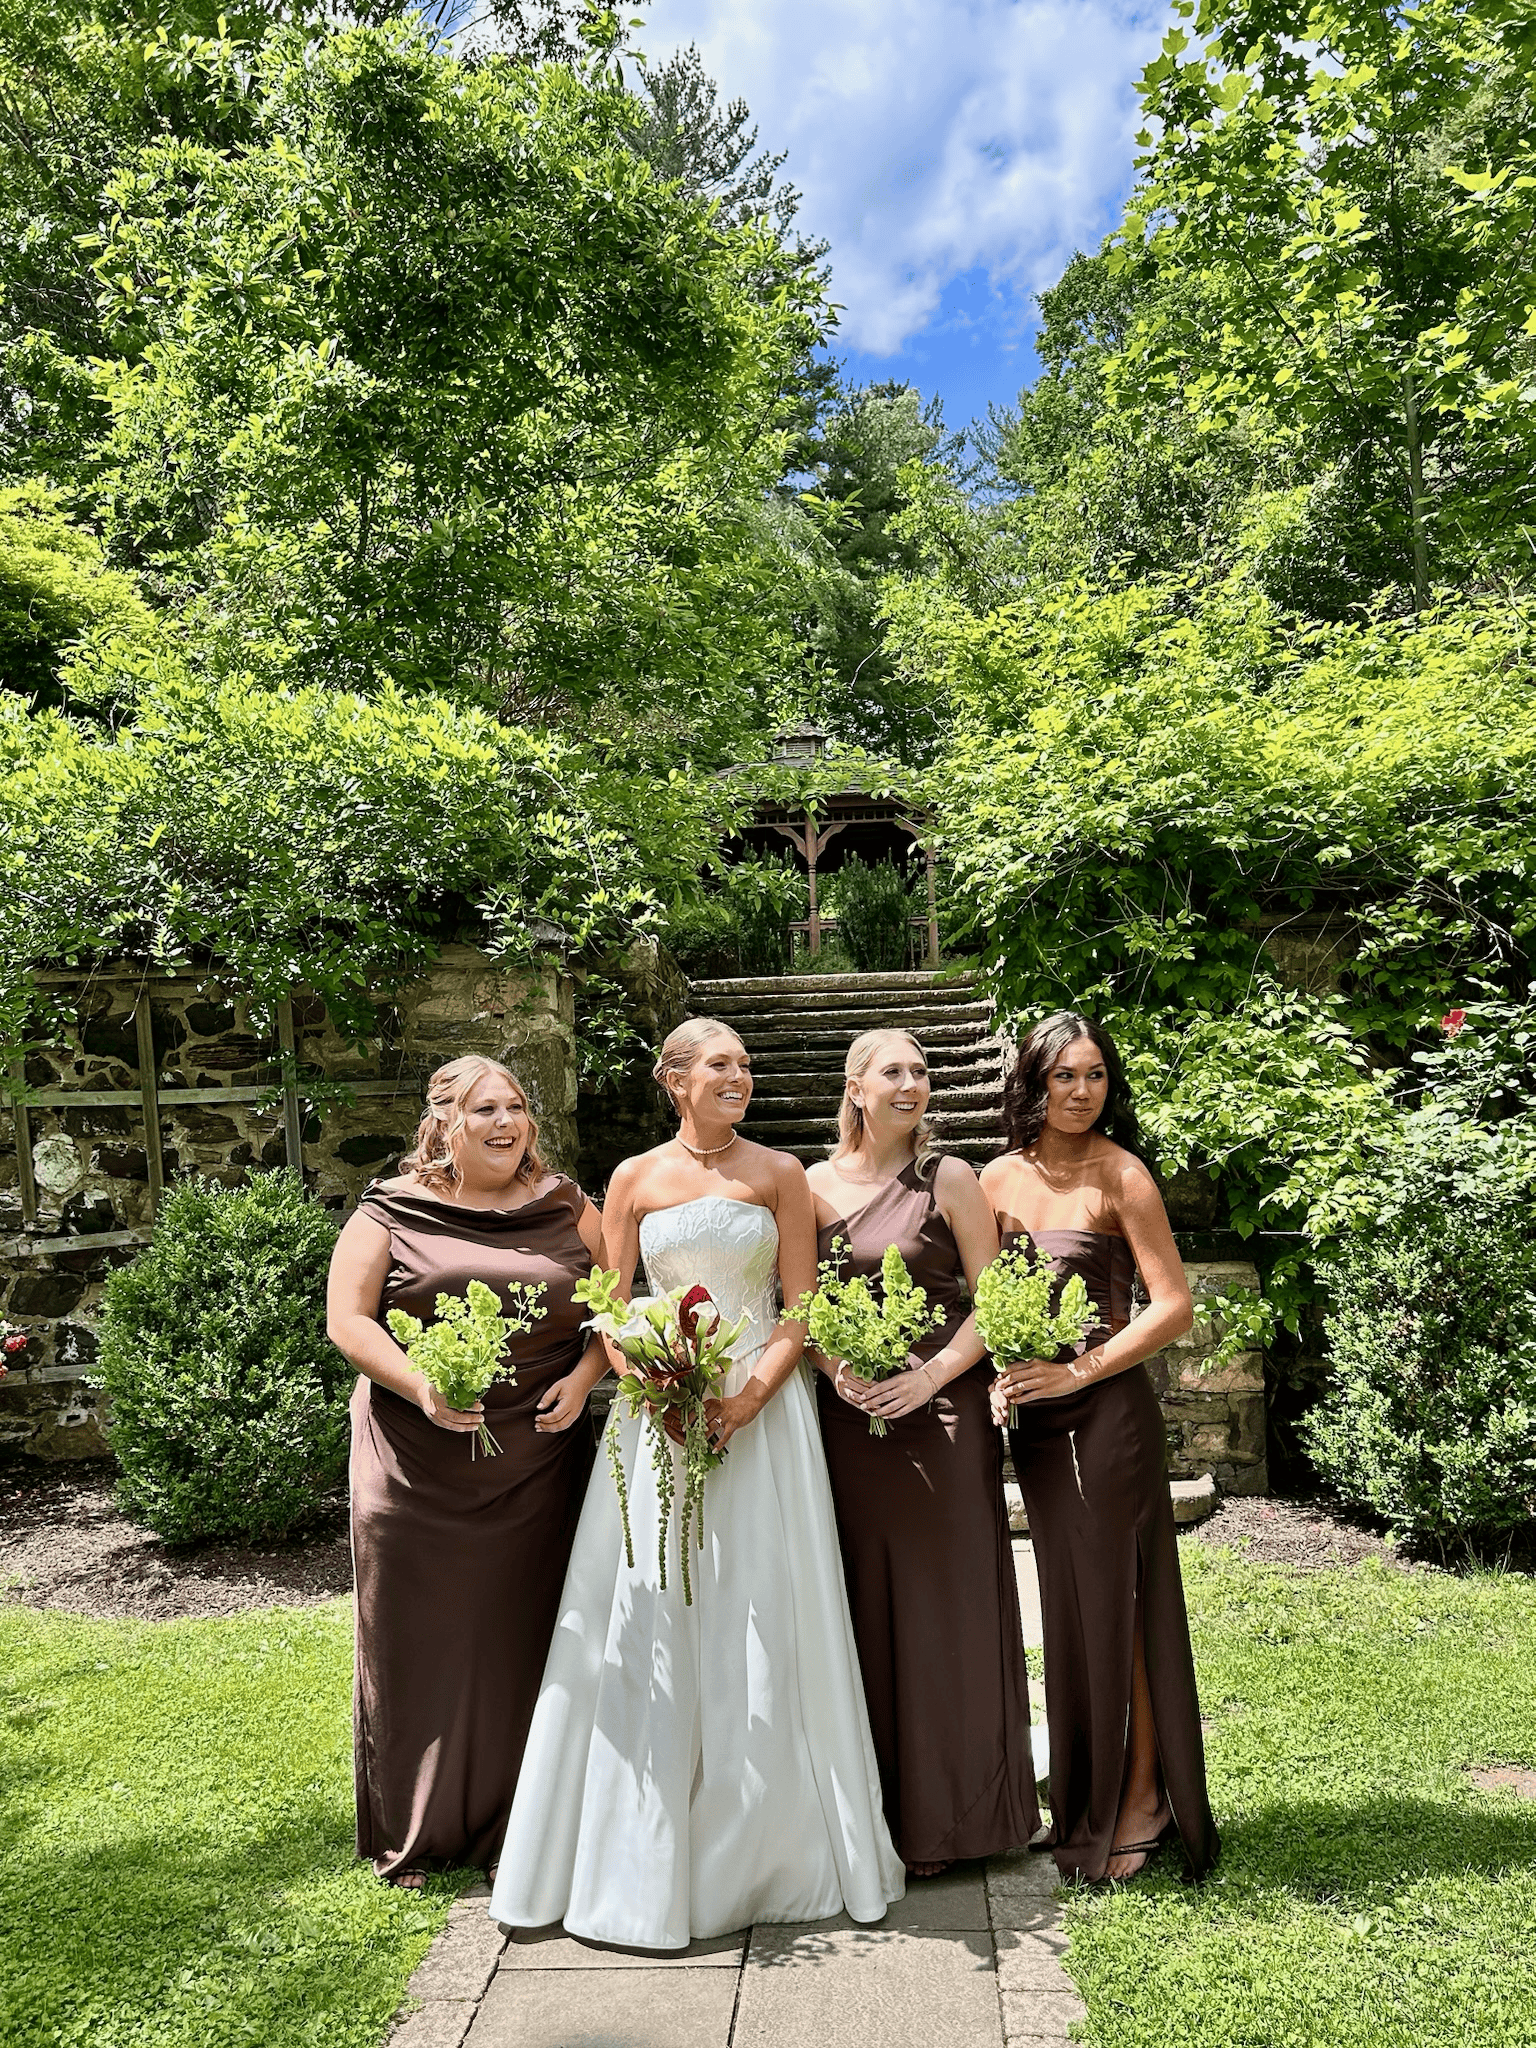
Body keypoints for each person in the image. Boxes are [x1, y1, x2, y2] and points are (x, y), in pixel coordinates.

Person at [488, 1018, 904, 1948]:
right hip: (659, 1420)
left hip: (763, 1415)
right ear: (674, 1079)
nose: (741, 1079)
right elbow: (609, 1304)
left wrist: (750, 1396)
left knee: (764, 1606)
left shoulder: (779, 1176)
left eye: (747, 1067)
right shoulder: (632, 1179)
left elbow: (799, 1311)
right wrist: (645, 1378)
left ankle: (763, 1851)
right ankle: (640, 1855)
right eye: (722, 1065)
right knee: (654, 1603)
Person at [327, 1055, 604, 1888]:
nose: (505, 1122)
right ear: (443, 1121)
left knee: (531, 1636)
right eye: (485, 1109)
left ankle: (531, 1817)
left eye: (516, 1106)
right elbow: (349, 1318)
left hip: (538, 1462)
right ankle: (423, 1825)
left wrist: (586, 1377)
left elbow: (616, 1306)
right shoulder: (390, 1209)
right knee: (420, 1642)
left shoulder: (567, 1205)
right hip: (414, 1464)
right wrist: (419, 1383)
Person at [980, 1013, 1219, 1884]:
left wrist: (1079, 1372)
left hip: (1108, 1417)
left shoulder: (1123, 1175)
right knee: (1074, 1614)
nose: (1082, 1093)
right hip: (1038, 1430)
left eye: (1094, 1077)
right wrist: (1004, 1375)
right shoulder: (996, 1179)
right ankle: (1083, 1796)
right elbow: (984, 1304)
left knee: (1126, 1606)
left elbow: (1172, 1306)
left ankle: (1146, 1797)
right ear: (1033, 1084)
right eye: (1063, 1078)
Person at [806, 1028, 1039, 1876]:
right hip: (849, 1428)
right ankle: (873, 1817)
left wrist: (934, 1376)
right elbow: (797, 1307)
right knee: (858, 1609)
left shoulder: (950, 1179)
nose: (913, 1084)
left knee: (951, 1607)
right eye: (894, 1072)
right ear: (855, 1088)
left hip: (942, 1421)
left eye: (922, 1071)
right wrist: (835, 1373)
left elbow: (997, 1300)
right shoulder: (808, 1188)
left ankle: (958, 1819)